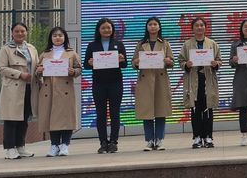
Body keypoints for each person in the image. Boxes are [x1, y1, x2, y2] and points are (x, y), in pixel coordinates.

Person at [35, 26, 82, 157]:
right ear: (51, 38)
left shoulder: (71, 53)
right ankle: (54, 145)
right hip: (49, 90)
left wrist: (74, 72)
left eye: (60, 35)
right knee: (51, 119)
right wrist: (38, 71)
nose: (57, 38)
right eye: (55, 35)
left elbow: (79, 69)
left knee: (66, 118)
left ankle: (65, 145)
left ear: (65, 38)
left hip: (65, 90)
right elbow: (37, 71)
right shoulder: (44, 53)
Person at [83, 17, 127, 153]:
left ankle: (113, 141)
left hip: (115, 83)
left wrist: (122, 60)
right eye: (103, 28)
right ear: (98, 30)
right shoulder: (92, 45)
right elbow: (86, 65)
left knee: (115, 113)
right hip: (99, 84)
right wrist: (90, 63)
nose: (106, 30)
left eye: (108, 27)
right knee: (101, 114)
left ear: (112, 29)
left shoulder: (119, 44)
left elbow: (124, 65)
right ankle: (103, 142)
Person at [0, 22, 40, 160]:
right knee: (11, 119)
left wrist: (40, 71)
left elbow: (37, 64)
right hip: (13, 88)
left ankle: (20, 146)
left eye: (23, 31)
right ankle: (10, 148)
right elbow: (2, 68)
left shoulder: (32, 48)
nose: (20, 33)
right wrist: (19, 74)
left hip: (29, 87)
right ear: (12, 33)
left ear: (26, 32)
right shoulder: (6, 49)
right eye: (17, 31)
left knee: (24, 118)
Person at [131, 17, 174, 151]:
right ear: (147, 27)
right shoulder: (141, 43)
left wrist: (168, 61)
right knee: (147, 110)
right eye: (150, 24)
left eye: (155, 24)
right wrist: (137, 62)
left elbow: (172, 61)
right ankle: (149, 140)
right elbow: (133, 63)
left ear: (159, 27)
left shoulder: (165, 43)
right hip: (146, 80)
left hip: (160, 79)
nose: (153, 26)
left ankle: (159, 140)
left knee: (161, 110)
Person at [178, 17, 221, 149]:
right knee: (195, 109)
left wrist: (215, 64)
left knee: (208, 108)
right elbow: (181, 61)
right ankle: (197, 137)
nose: (199, 27)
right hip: (193, 80)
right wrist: (187, 64)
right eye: (196, 25)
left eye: (202, 25)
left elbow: (219, 60)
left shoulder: (212, 44)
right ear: (192, 28)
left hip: (207, 79)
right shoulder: (187, 44)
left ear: (205, 28)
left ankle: (208, 137)